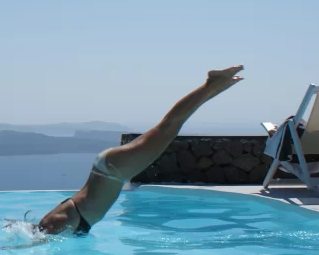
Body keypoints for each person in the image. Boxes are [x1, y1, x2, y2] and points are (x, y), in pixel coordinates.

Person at [35, 65, 245, 237]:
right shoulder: (53, 221)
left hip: (114, 171)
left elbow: (37, 245)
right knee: (169, 128)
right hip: (109, 169)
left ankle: (211, 83)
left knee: (168, 128)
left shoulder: (55, 224)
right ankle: (216, 86)